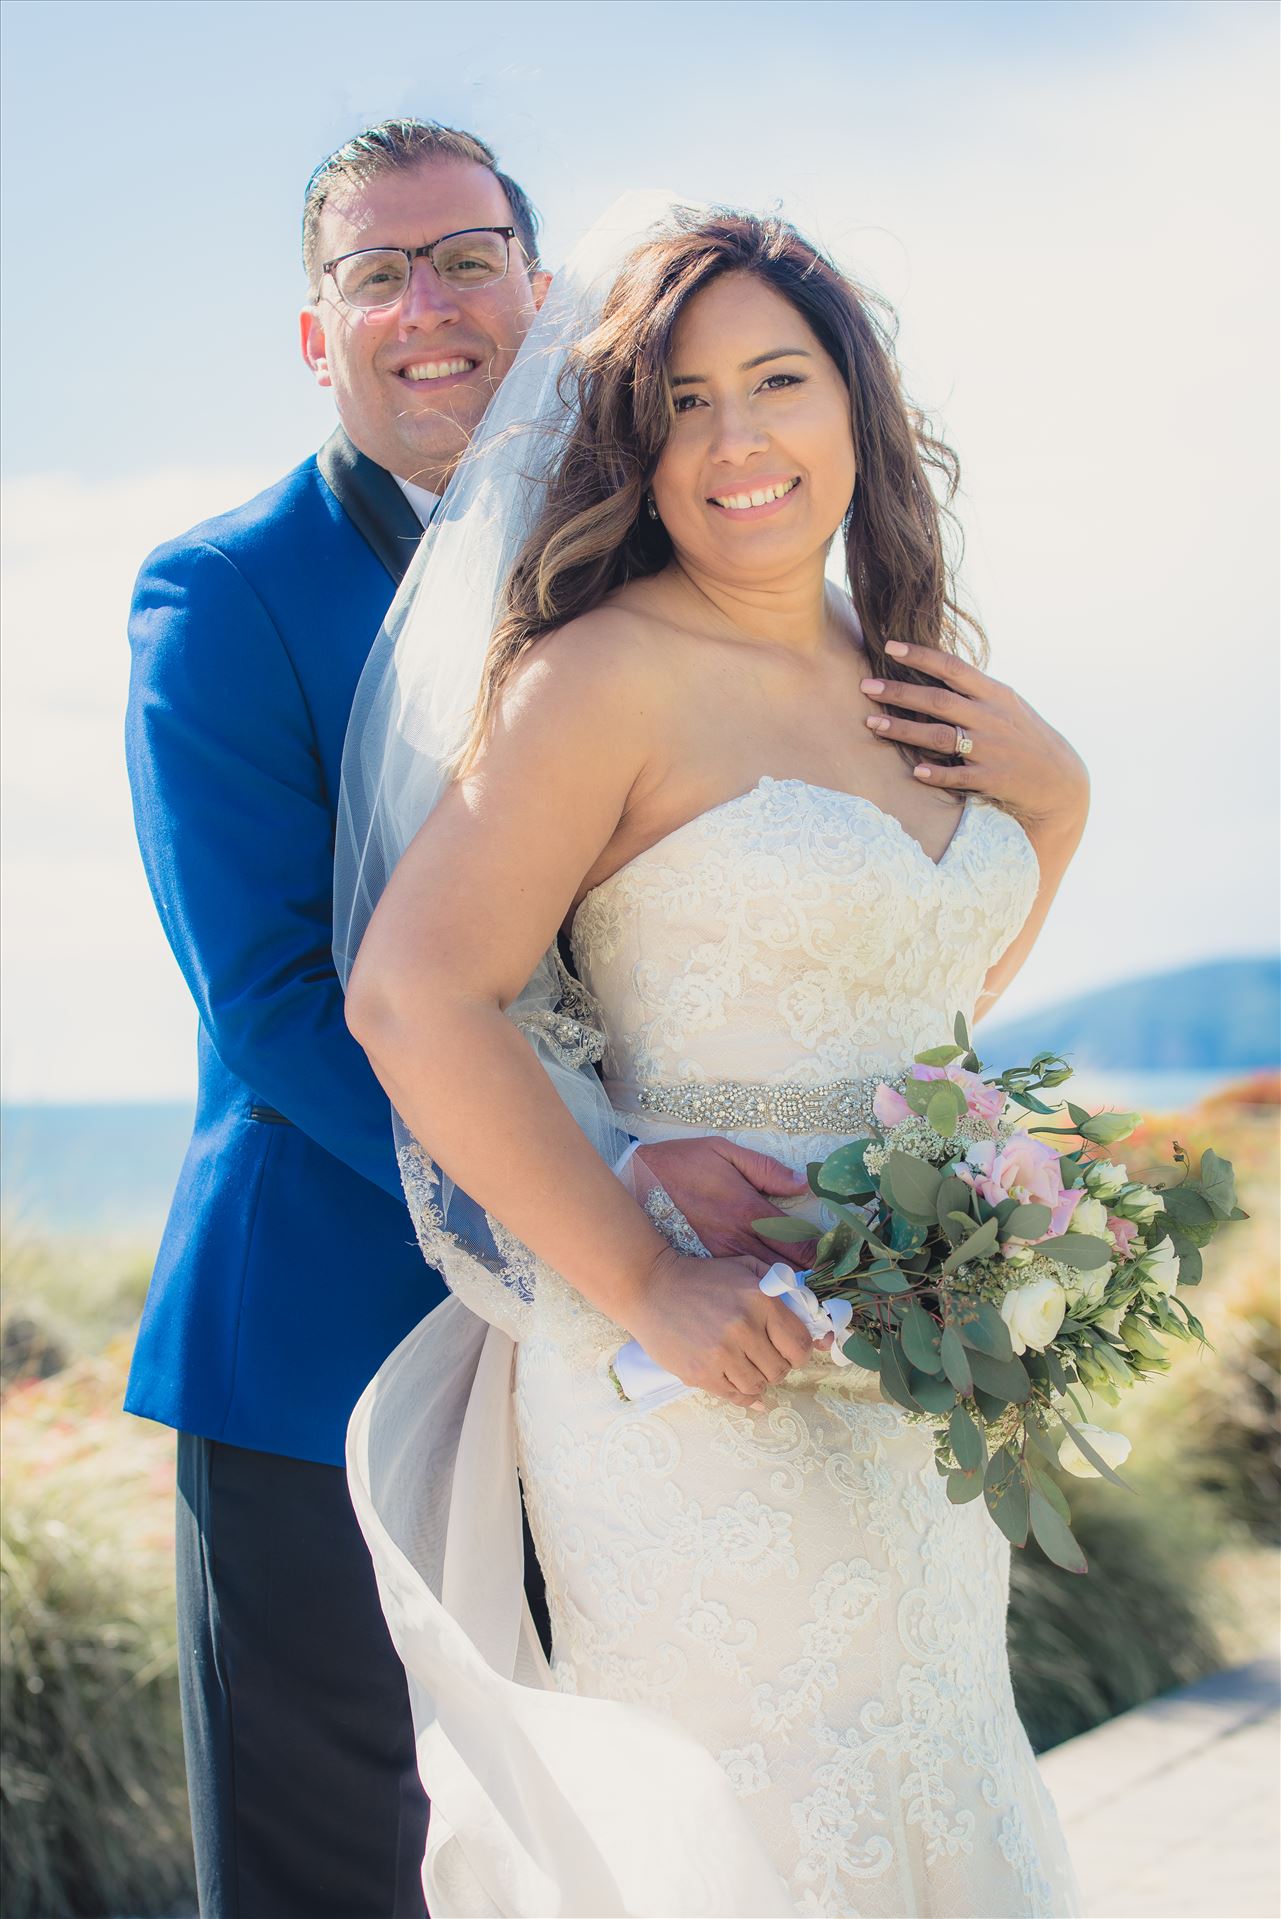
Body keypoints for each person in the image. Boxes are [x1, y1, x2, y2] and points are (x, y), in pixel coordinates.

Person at [341, 204, 1090, 1916]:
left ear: (857, 407)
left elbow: (931, 991)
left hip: (903, 1383)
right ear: (630, 442)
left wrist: (1054, 799)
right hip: (695, 1375)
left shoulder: (901, 673)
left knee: (931, 1792)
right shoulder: (597, 678)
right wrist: (641, 1284)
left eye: (778, 380)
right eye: (683, 401)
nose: (738, 439)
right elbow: (413, 998)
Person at [124, 125, 812, 1919]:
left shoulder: (637, 569)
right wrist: (594, 1203)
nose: (428, 309)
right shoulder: (221, 597)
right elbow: (272, 1002)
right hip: (321, 1340)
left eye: (466, 258)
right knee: (331, 1873)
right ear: (316, 331)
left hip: (644, 1351)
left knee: (612, 1834)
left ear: (539, 286)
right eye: (376, 273)